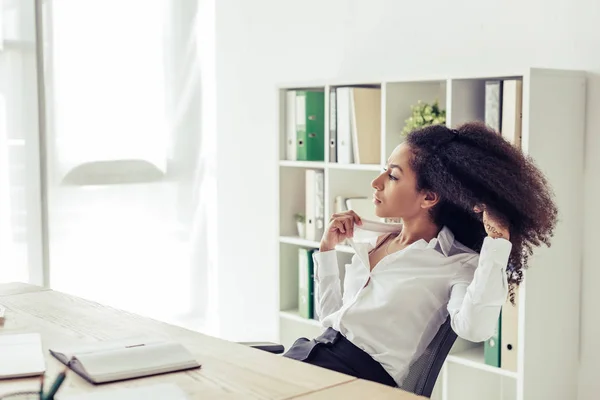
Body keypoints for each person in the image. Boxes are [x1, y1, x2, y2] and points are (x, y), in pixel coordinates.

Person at [282, 121, 557, 388]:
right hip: (312, 357)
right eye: (383, 171)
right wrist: (326, 251)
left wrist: (497, 243)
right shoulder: (375, 242)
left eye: (392, 176)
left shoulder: (456, 264)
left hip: (357, 383)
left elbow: (474, 329)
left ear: (429, 197)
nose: (376, 183)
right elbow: (331, 321)